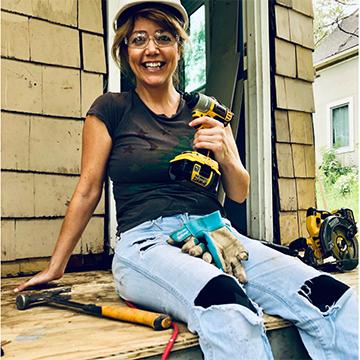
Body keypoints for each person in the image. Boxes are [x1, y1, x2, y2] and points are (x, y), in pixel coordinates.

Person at [15, 0, 358, 359]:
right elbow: (87, 190)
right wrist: (57, 265)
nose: (151, 49)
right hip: (146, 245)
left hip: (218, 235)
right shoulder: (111, 109)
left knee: (329, 295)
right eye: (139, 39)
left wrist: (225, 151)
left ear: (179, 46)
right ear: (125, 50)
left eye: (163, 37)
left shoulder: (206, 109)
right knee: (228, 306)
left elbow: (239, 191)